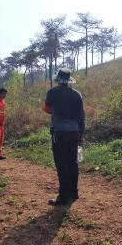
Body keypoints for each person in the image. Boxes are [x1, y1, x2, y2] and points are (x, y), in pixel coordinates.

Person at [43, 68, 85, 205]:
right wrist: (81, 134)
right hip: (75, 132)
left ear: (58, 79)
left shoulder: (52, 92)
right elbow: (81, 117)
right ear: (69, 80)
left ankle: (63, 197)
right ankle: (73, 193)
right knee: (73, 162)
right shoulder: (77, 95)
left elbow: (48, 109)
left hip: (60, 132)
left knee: (62, 164)